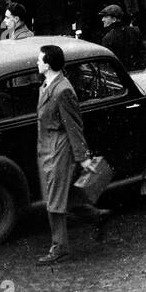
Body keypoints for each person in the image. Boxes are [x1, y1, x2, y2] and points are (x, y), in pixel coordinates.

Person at [35, 44, 97, 265]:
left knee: (54, 201)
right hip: (47, 148)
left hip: (58, 150)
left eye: (40, 60)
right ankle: (97, 217)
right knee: (64, 195)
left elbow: (74, 126)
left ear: (48, 65)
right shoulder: (48, 85)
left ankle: (59, 247)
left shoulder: (62, 90)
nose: (37, 62)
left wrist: (83, 157)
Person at [100, 4, 146, 71]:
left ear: (114, 19)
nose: (102, 19)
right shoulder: (134, 31)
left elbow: (109, 64)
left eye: (105, 17)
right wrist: (140, 68)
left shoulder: (107, 38)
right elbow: (144, 54)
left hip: (123, 74)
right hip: (138, 71)